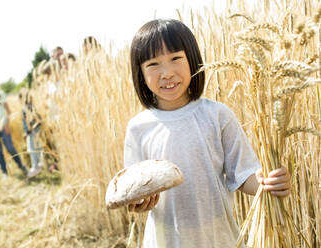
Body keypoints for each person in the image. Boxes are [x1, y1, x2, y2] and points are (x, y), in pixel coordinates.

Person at [125, 19, 291, 248]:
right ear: (140, 73)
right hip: (166, 240)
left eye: (175, 59)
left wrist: (268, 183)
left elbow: (244, 175)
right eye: (153, 64)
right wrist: (137, 202)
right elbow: (134, 190)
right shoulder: (138, 128)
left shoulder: (217, 115)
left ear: (192, 60)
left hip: (217, 237)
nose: (167, 73)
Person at [19, 89, 43, 178]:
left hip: (31, 131)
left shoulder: (26, 108)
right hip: (35, 129)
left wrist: (27, 131)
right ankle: (40, 164)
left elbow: (27, 121)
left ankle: (35, 167)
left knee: (32, 149)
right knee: (38, 147)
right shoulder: (33, 106)